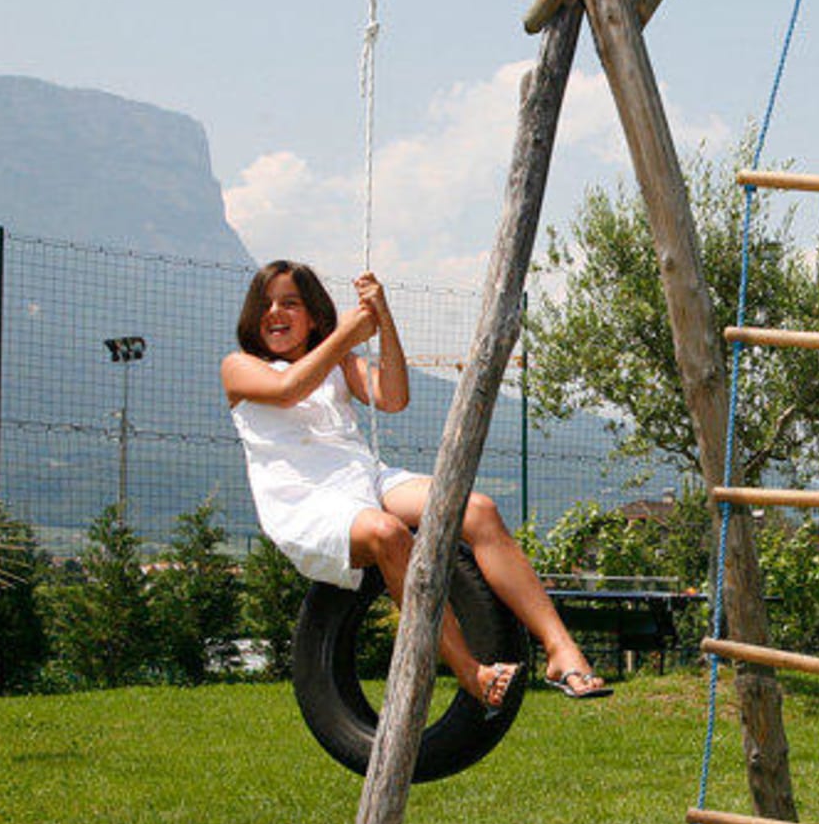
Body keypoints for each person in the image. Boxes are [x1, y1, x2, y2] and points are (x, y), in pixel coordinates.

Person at [223, 259, 613, 702]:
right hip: (306, 503)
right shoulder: (239, 366)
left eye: (290, 303)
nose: (275, 312)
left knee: (477, 509)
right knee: (387, 532)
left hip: (363, 479)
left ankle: (560, 649)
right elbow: (287, 390)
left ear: (313, 316)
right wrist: (345, 334)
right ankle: (469, 672)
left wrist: (382, 317)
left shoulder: (340, 364)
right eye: (265, 304)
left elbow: (393, 397)